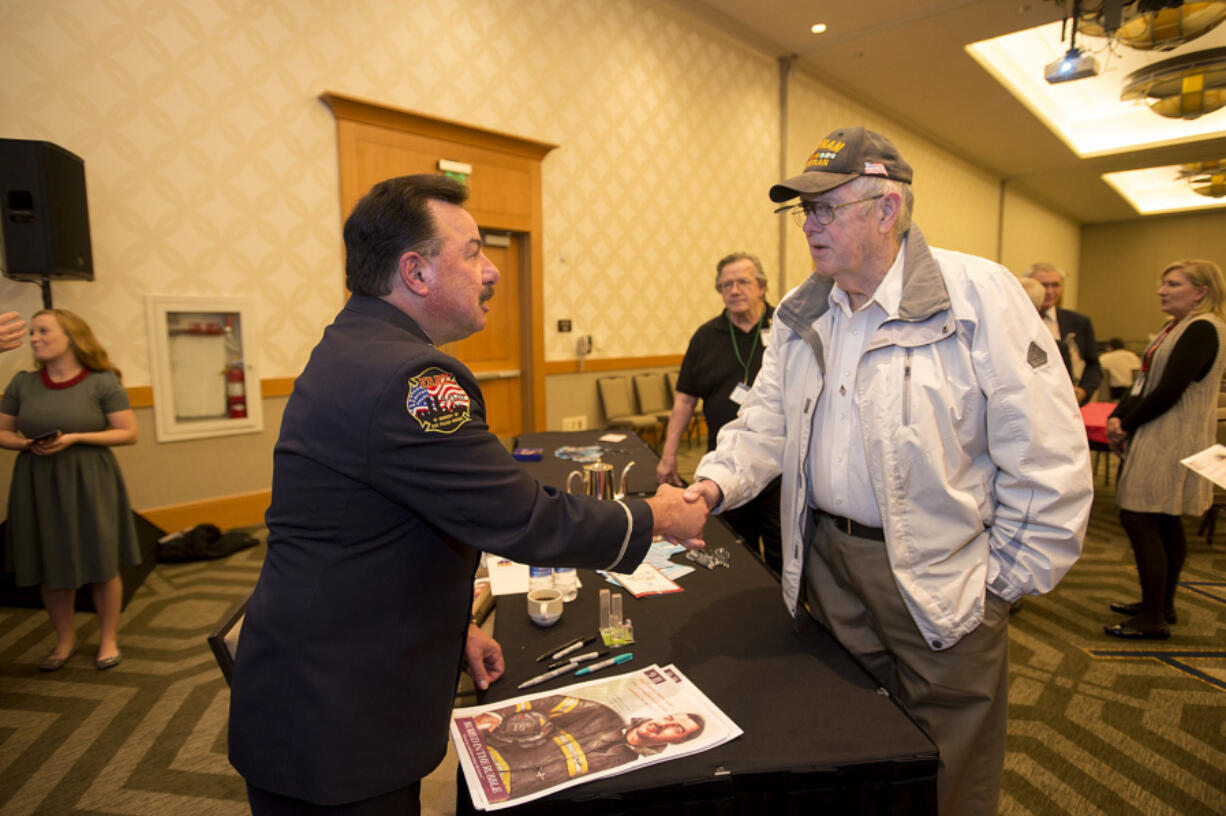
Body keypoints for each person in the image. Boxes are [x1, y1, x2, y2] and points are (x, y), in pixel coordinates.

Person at [228, 174, 708, 814]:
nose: (492, 272)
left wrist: (451, 633)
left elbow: (384, 530)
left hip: (323, 678)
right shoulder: (410, 375)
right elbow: (522, 518)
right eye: (473, 252)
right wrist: (653, 515)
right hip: (335, 717)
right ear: (416, 273)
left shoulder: (357, 344)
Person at [685, 126, 1093, 816]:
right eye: (802, 212)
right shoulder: (798, 310)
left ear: (886, 209)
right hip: (827, 563)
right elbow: (766, 422)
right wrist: (714, 482)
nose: (809, 227)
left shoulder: (980, 296)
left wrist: (1002, 587)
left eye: (825, 209)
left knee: (950, 761)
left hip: (944, 570)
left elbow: (1046, 452)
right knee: (854, 738)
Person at [0, 309, 139, 672]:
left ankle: (108, 638)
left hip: (90, 480)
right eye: (31, 332)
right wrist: (27, 445)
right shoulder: (22, 384)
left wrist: (76, 437)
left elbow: (127, 432)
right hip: (38, 480)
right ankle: (65, 639)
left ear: (73, 336)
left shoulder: (102, 382)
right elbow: (2, 432)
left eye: (43, 330)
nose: (34, 338)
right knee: (51, 562)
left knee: (102, 560)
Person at [1105, 259, 1226, 639]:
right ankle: (1160, 604)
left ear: (1200, 292)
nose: (1162, 290)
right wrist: (1118, 414)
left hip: (1173, 435)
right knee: (1164, 519)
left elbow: (1170, 390)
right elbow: (1144, 382)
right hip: (1159, 431)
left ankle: (1152, 619)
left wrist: (1127, 423)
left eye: (1173, 284)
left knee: (1139, 518)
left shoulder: (1204, 328)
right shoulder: (1176, 327)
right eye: (1163, 283)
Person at [657, 252, 783, 575]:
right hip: (725, 465)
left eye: (743, 281)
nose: (735, 290)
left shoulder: (786, 329)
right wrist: (668, 455)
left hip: (780, 467)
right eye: (726, 284)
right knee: (734, 552)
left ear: (762, 287)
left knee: (782, 552)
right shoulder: (705, 337)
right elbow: (685, 400)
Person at [472, 695, 705, 800]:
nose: (665, 723)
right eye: (669, 717)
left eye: (677, 728)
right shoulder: (602, 713)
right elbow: (550, 702)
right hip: (494, 752)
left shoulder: (632, 766)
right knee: (531, 720)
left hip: (511, 791)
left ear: (677, 742)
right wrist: (499, 714)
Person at [1025, 262, 1101, 404]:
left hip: (1066, 404)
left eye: (1055, 285)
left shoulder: (1080, 322)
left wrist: (1084, 390)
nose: (1049, 291)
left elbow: (1093, 366)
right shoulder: (1016, 323)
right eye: (1043, 285)